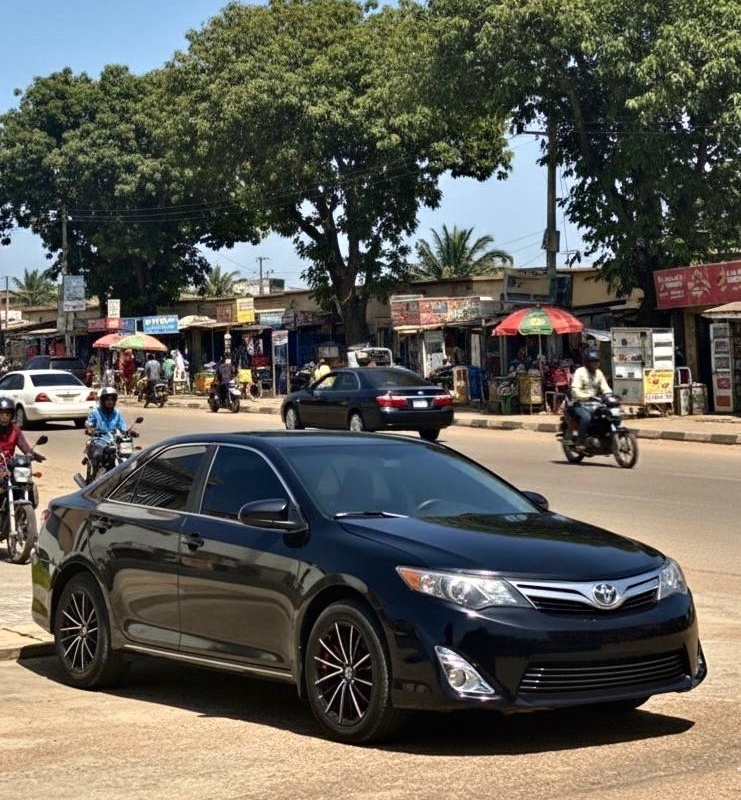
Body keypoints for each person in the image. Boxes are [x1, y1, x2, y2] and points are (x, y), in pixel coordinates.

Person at [84, 387, 138, 468]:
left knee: (130, 454)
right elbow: (89, 423)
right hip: (99, 439)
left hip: (114, 440)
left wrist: (128, 432)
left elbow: (122, 427)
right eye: (108, 400)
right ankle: (95, 472)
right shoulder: (95, 412)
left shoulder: (117, 413)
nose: (110, 402)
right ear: (103, 400)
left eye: (112, 400)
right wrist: (90, 429)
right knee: (97, 454)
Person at [569, 350, 613, 449]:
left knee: (607, 416)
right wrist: (585, 396)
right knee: (586, 418)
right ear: (587, 362)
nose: (595, 364)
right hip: (580, 402)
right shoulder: (580, 372)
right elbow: (575, 390)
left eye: (597, 361)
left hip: (595, 403)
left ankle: (604, 437)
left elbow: (605, 387)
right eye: (593, 361)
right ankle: (581, 441)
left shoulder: (599, 373)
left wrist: (609, 395)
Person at [0, 397, 45, 468]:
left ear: (12, 415)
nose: (4, 417)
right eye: (1, 414)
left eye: (7, 414)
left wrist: (33, 455)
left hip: (8, 467)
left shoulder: (15, 430)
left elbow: (24, 446)